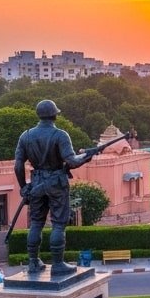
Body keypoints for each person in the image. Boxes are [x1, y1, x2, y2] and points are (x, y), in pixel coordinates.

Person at [14, 99, 95, 275]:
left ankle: (33, 263)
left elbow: (18, 165)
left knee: (36, 223)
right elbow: (72, 162)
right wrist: (86, 157)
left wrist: (24, 187)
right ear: (54, 115)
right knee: (58, 224)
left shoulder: (25, 136)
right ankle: (57, 264)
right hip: (56, 183)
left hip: (35, 183)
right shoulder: (60, 135)